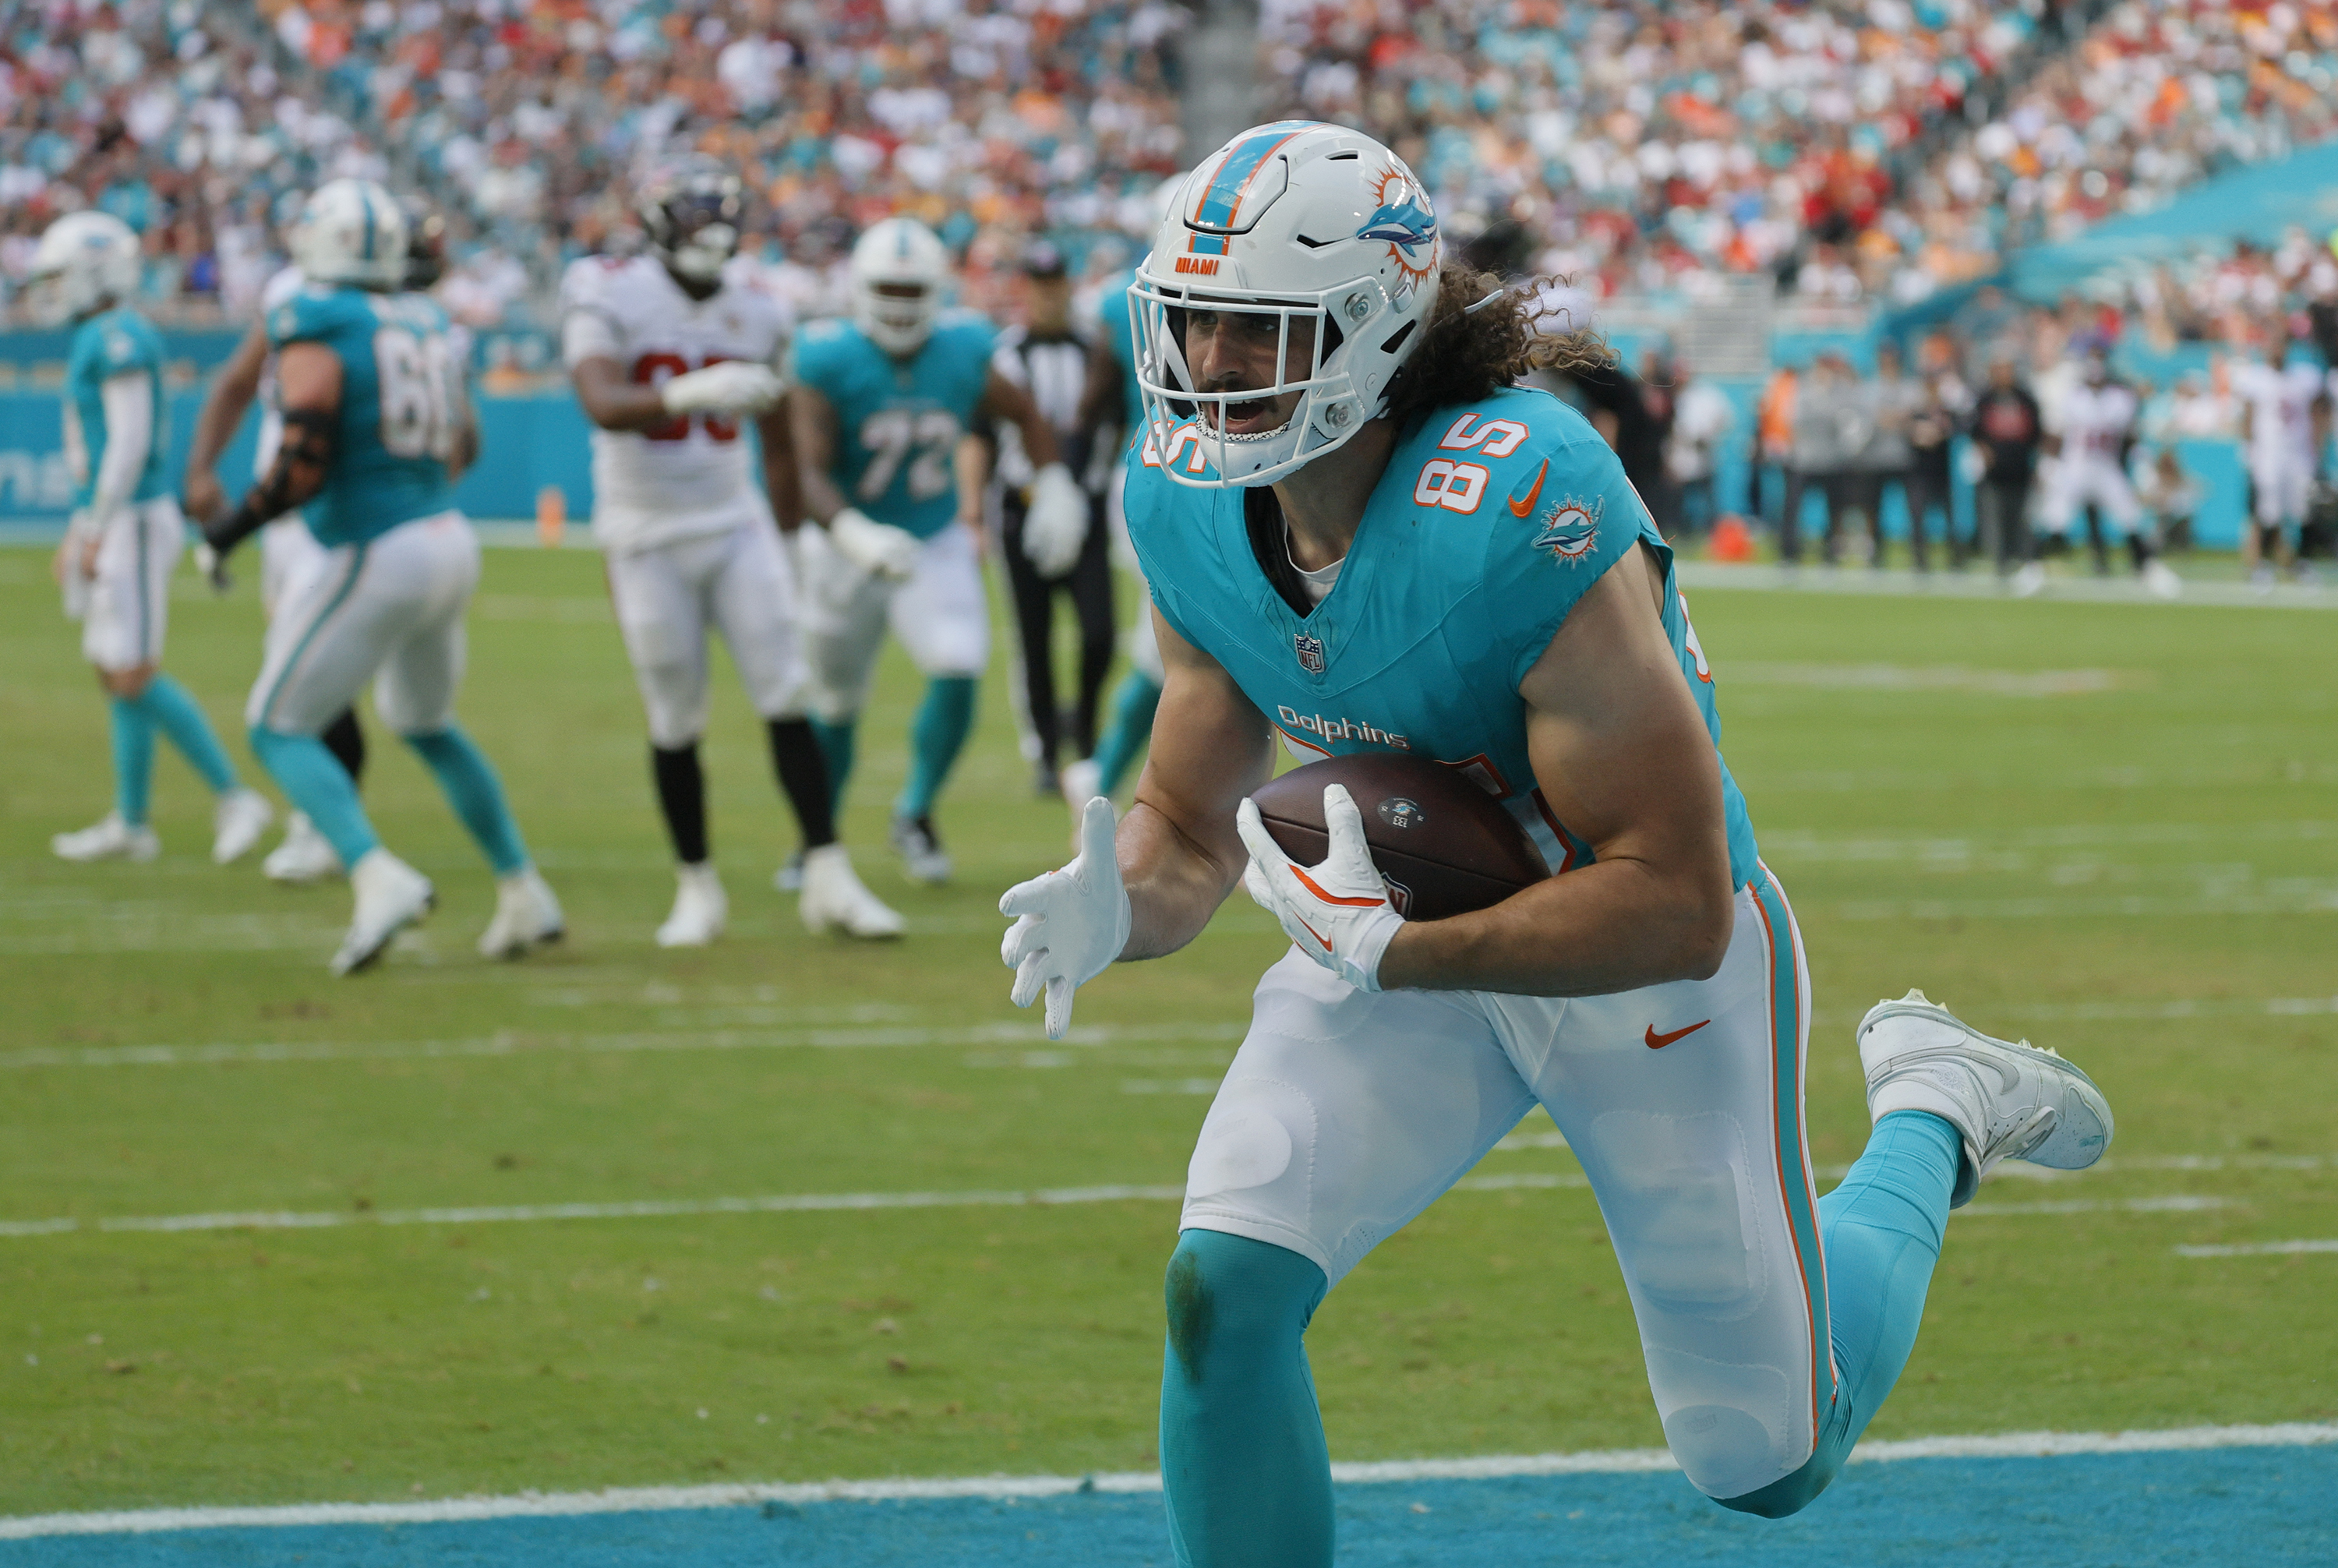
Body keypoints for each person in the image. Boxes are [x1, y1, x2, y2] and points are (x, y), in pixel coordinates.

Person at [996, 122, 2114, 1567]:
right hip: (1393, 928)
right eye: (1193, 319)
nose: (1207, 363)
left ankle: (1935, 1110)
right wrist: (1124, 906)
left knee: (1766, 1460)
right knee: (1224, 1285)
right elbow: (1187, 831)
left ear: (1366, 329)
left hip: (1630, 957)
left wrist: (1406, 951)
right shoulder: (1187, 499)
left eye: (1253, 325)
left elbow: (1676, 898)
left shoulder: (1517, 500)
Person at [198, 178, 562, 975]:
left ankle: (372, 869)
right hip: (446, 535)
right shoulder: (427, 315)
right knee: (426, 722)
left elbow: (302, 456)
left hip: (373, 544)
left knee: (276, 723)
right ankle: (522, 885)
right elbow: (462, 441)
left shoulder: (314, 315)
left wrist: (228, 531)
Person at [560, 159, 900, 945]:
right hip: (643, 530)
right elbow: (602, 403)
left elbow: (779, 442)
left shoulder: (758, 305)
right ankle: (697, 886)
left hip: (733, 521)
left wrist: (792, 540)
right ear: (655, 222)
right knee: (675, 711)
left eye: (718, 214)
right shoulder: (606, 287)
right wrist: (687, 392)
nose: (708, 231)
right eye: (691, 215)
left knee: (786, 691)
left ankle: (828, 872)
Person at [789, 217, 1084, 885]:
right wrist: (853, 534)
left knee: (958, 661)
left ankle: (915, 811)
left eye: (911, 289)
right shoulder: (825, 355)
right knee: (834, 702)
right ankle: (818, 839)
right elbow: (807, 470)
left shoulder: (962, 348)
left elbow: (1026, 414)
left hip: (931, 534)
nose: (898, 304)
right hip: (844, 542)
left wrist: (1056, 484)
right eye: (886, 289)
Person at [30, 211, 274, 867]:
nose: (53, 290)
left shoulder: (118, 336)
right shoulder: (100, 333)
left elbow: (129, 441)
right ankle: (132, 822)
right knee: (113, 670)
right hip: (114, 520)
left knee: (134, 671)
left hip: (134, 521)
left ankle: (235, 796)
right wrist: (83, 527)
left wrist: (97, 526)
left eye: (61, 276)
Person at [988, 242, 1114, 798]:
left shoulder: (1094, 350)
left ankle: (1083, 726)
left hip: (1086, 504)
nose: (1047, 296)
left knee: (1099, 633)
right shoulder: (1005, 353)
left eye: (1055, 284)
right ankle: (1045, 748)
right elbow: (985, 431)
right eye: (1037, 286)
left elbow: (1111, 422)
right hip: (1025, 505)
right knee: (1034, 637)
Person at [2039, 350, 2181, 597]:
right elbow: (2056, 435)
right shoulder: (2073, 397)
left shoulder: (2120, 399)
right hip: (2076, 466)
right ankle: (2035, 567)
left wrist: (2140, 463)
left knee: (2131, 516)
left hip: (2106, 467)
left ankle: (2146, 567)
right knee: (2056, 517)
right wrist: (2050, 465)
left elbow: (2129, 437)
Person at [2233, 334, 2330, 589]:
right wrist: (2249, 450)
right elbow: (2248, 417)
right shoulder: (2255, 378)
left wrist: (2318, 445)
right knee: (2269, 509)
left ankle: (2304, 562)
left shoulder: (2303, 377)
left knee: (2304, 508)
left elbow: (2320, 411)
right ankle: (2262, 566)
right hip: (2269, 453)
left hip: (2298, 453)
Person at [1965, 355, 2046, 593]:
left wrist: (2038, 463)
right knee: (1995, 517)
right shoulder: (1986, 398)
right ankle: (2001, 562)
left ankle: (2022, 562)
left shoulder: (2025, 399)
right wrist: (1983, 451)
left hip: (2020, 468)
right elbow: (1974, 430)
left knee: (2022, 518)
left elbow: (2036, 433)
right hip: (1994, 471)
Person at [1663, 358, 1735, 541]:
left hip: (1704, 455)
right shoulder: (1672, 397)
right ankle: (1678, 533)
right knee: (1677, 501)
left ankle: (1711, 534)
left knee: (1709, 500)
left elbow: (1725, 419)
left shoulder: (1706, 395)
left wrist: (1709, 435)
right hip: (1680, 457)